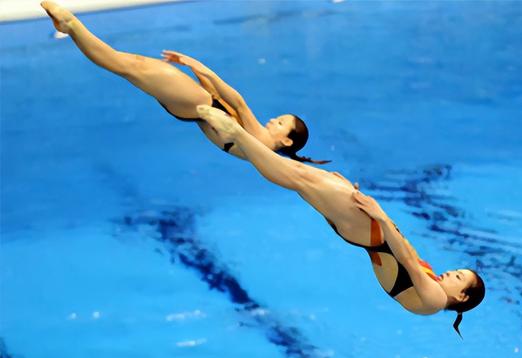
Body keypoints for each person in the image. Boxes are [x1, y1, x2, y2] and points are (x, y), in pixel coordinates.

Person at [197, 105, 485, 337]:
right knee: (298, 177)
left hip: (371, 233)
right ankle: (240, 142)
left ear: (461, 298)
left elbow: (407, 260)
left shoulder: (434, 301)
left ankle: (238, 134)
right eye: (458, 271)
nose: (451, 273)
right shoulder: (433, 291)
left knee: (298, 176)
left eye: (458, 278)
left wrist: (380, 215)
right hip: (366, 232)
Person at [40, 1, 327, 163]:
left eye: (280, 123)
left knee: (125, 64)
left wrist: (199, 66)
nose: (273, 120)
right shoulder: (262, 152)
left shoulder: (264, 144)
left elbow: (237, 101)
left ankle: (71, 25)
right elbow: (226, 104)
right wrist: (201, 73)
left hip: (197, 104)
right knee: (125, 66)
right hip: (194, 107)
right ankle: (71, 27)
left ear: (286, 139)